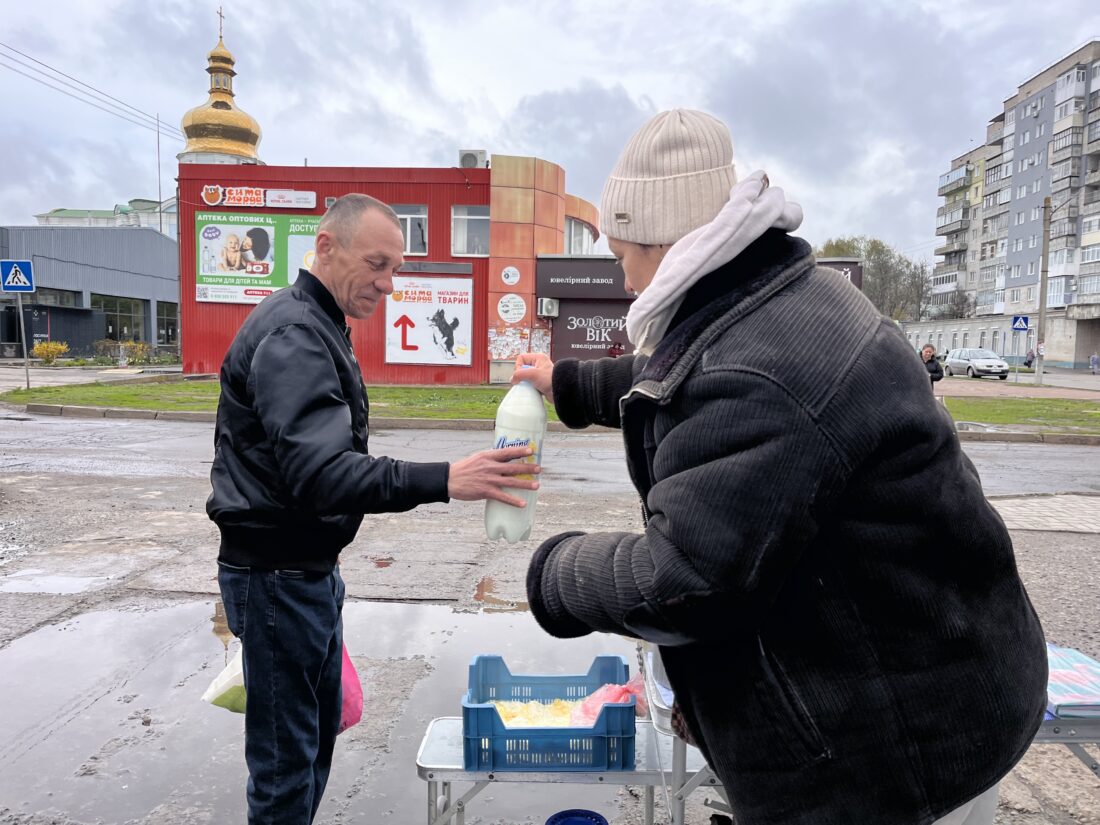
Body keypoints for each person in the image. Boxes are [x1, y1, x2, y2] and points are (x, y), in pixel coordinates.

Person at [515, 110, 1046, 825]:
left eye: (623, 253)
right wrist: (568, 383)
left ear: (664, 241)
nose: (625, 276)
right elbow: (681, 372)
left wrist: (553, 572)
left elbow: (688, 581)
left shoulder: (760, 371)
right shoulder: (781, 299)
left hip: (901, 753)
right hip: (945, 681)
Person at [207, 194, 540, 824]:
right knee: (285, 761)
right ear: (327, 247)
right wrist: (447, 478)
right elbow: (324, 476)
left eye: (396, 269)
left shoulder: (317, 323)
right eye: (378, 264)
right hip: (276, 577)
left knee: (311, 739)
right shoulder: (295, 334)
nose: (389, 284)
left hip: (300, 571)